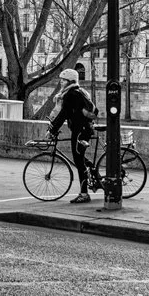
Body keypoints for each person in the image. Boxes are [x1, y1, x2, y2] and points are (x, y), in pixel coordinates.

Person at [48, 67, 97, 203]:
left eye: (63, 81)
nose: (61, 83)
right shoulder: (78, 92)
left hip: (80, 131)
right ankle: (93, 172)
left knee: (79, 162)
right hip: (84, 129)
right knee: (80, 157)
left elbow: (64, 113)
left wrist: (52, 129)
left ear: (70, 81)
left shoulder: (71, 95)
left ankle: (84, 194)